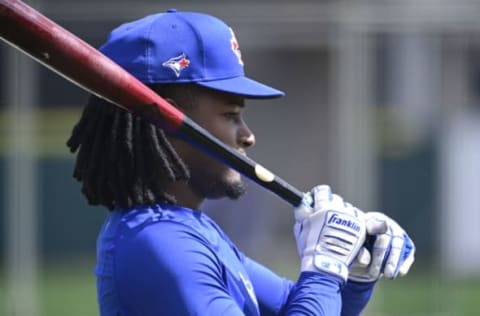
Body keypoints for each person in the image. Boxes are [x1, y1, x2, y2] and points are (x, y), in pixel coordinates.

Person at [67, 9, 415, 316]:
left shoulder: (189, 228)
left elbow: (299, 307)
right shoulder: (159, 244)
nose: (247, 136)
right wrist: (324, 267)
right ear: (165, 123)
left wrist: (352, 274)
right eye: (231, 115)